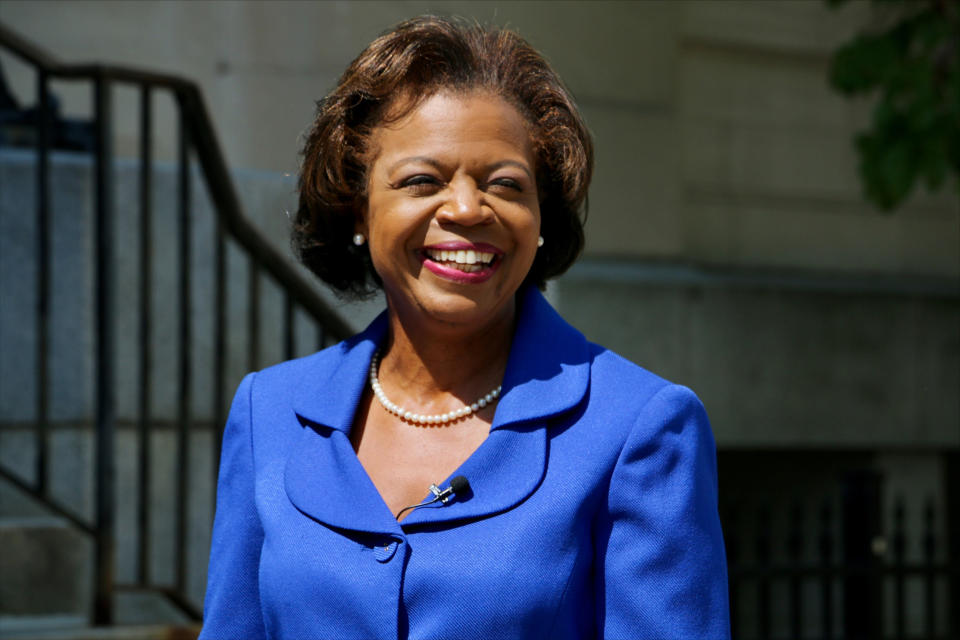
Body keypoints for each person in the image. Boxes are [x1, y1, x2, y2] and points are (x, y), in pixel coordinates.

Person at [200, 15, 729, 640]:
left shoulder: (641, 427)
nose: (466, 209)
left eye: (505, 184)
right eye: (423, 180)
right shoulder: (270, 414)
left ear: (539, 219)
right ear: (356, 208)